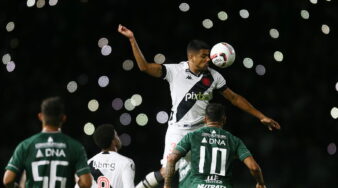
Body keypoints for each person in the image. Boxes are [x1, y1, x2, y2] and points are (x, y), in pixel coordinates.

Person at [118, 24, 279, 188]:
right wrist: (132, 39)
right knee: (167, 171)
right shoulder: (175, 71)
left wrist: (261, 116)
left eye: (208, 56)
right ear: (191, 57)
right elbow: (144, 67)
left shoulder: (214, 76)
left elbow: (234, 98)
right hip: (178, 130)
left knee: (200, 176)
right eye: (203, 56)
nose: (208, 59)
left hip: (201, 132)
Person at [164, 103, 266, 188]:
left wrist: (167, 186)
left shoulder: (192, 136)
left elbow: (171, 159)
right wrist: (260, 183)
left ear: (205, 119)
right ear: (224, 119)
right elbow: (254, 167)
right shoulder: (234, 140)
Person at [3, 97, 92, 188]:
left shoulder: (26, 145)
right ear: (63, 118)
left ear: (40, 116)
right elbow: (86, 183)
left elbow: (7, 180)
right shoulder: (75, 147)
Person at [81, 124, 135, 188]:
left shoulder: (88, 164)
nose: (118, 138)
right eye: (116, 135)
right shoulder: (126, 163)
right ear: (113, 141)